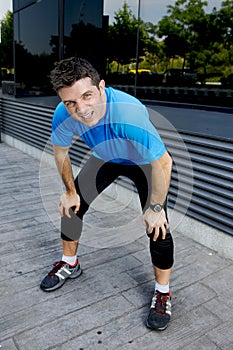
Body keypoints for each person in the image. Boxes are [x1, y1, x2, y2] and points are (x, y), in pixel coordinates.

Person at [40, 57, 174, 331]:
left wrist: (156, 209)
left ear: (102, 87)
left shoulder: (128, 114)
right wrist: (69, 191)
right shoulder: (63, 114)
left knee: (159, 229)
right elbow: (60, 152)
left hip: (143, 163)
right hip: (105, 158)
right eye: (71, 103)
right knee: (71, 207)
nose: (82, 109)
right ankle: (70, 264)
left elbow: (164, 162)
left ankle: (163, 292)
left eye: (87, 96)